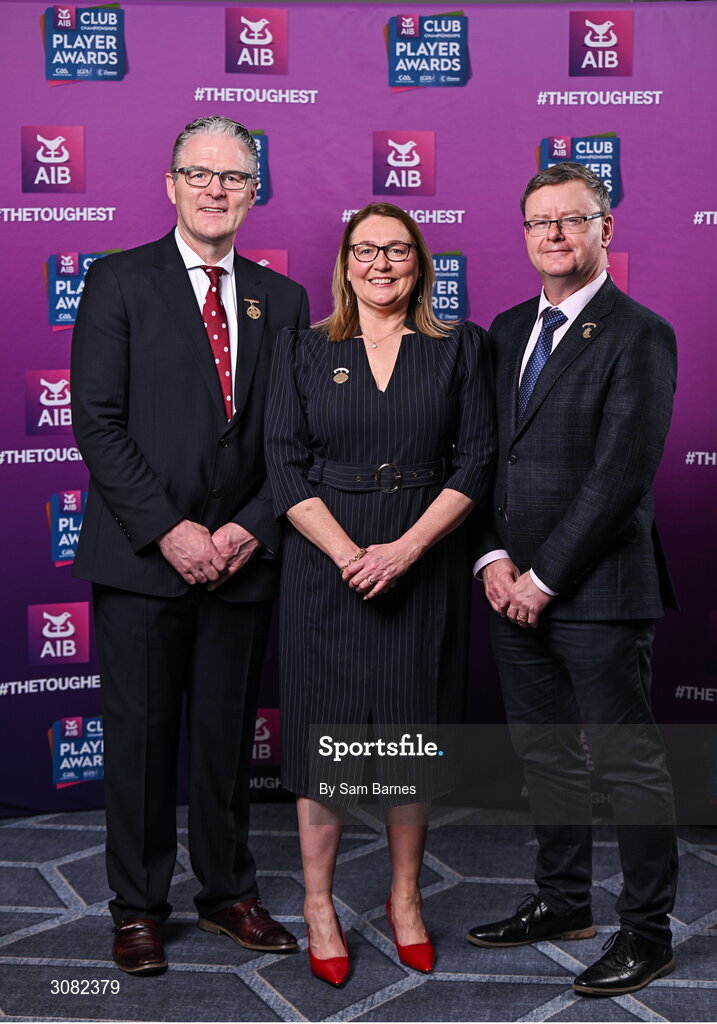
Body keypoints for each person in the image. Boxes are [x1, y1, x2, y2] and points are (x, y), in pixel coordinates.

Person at [71, 115, 310, 974]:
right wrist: (170, 530)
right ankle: (137, 908)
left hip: (242, 558)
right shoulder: (116, 280)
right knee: (137, 740)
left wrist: (249, 526)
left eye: (234, 177)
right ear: (170, 184)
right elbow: (95, 423)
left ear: (254, 192)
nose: (216, 188)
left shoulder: (282, 300)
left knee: (224, 735)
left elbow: (290, 437)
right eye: (199, 173)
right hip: (143, 559)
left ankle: (227, 892)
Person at [265, 202, 495, 985]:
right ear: (344, 263)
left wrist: (403, 551)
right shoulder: (303, 349)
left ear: (420, 261)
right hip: (323, 564)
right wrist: (346, 553)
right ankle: (319, 905)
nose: (381, 264)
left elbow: (475, 463)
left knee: (407, 738)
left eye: (398, 250)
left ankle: (404, 899)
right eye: (365, 251)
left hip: (420, 554)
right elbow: (284, 468)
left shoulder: (460, 347)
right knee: (323, 745)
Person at [466, 162, 679, 996]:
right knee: (545, 755)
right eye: (538, 222)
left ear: (604, 229)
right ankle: (562, 902)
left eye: (571, 220)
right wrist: (491, 560)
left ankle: (647, 931)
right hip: (507, 584)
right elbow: (482, 460)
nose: (553, 235)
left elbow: (618, 475)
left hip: (594, 591)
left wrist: (543, 578)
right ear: (523, 234)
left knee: (626, 764)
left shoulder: (639, 332)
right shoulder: (506, 325)